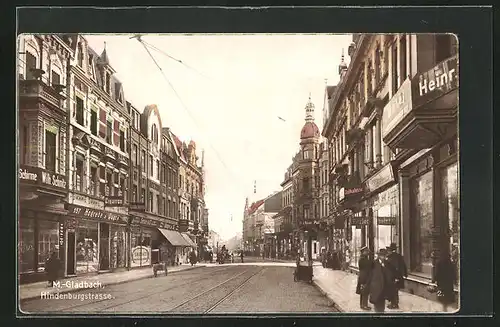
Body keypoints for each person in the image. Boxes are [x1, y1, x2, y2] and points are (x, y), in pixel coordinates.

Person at [367, 248, 394, 313]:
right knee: (376, 303)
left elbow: (390, 274)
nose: (383, 257)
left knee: (382, 303)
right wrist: (368, 286)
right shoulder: (374, 263)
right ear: (379, 256)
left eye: (384, 256)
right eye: (382, 255)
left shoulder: (387, 263)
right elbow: (369, 275)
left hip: (384, 287)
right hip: (376, 287)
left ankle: (381, 313)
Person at [385, 243, 408, 309]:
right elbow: (403, 266)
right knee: (395, 291)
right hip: (397, 277)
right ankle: (394, 303)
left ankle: (394, 304)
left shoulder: (392, 257)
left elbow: (395, 268)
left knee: (393, 291)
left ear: (390, 250)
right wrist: (404, 274)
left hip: (394, 277)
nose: (387, 252)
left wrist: (395, 277)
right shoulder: (398, 256)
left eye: (388, 250)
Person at [356, 246, 372, 310]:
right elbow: (368, 267)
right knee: (365, 291)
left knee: (363, 291)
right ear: (363, 252)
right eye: (367, 251)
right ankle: (364, 305)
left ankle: (362, 305)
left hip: (362, 276)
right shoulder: (363, 259)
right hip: (364, 276)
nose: (368, 252)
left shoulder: (363, 258)